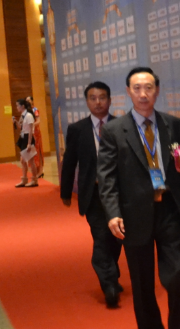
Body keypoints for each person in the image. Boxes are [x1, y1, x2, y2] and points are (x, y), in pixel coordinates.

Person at [97, 67, 180, 329]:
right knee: (142, 280)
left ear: (157, 90)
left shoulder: (172, 125)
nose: (143, 94)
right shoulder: (114, 130)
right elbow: (106, 176)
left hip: (170, 208)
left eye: (149, 88)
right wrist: (112, 212)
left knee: (179, 273)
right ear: (128, 92)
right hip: (134, 214)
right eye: (137, 88)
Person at [60, 81, 123, 307]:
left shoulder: (121, 126)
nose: (98, 102)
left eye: (102, 97)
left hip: (118, 193)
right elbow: (70, 161)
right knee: (101, 237)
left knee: (116, 238)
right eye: (93, 98)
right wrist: (66, 191)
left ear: (110, 100)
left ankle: (111, 273)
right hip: (93, 193)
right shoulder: (77, 129)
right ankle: (109, 285)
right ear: (87, 102)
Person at [13, 99, 38, 188]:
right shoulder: (23, 116)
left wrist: (29, 143)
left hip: (28, 138)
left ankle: (34, 180)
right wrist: (15, 122)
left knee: (30, 160)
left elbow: (30, 130)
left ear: (23, 106)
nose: (17, 107)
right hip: (24, 137)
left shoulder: (29, 115)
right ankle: (24, 179)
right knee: (23, 160)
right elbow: (21, 128)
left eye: (18, 105)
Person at [26, 96, 44, 178]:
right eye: (26, 100)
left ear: (32, 101)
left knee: (38, 151)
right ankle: (35, 171)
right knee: (32, 152)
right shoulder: (27, 111)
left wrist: (31, 125)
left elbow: (38, 121)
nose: (27, 102)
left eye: (29, 100)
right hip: (30, 133)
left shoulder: (35, 110)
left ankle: (40, 171)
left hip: (36, 133)